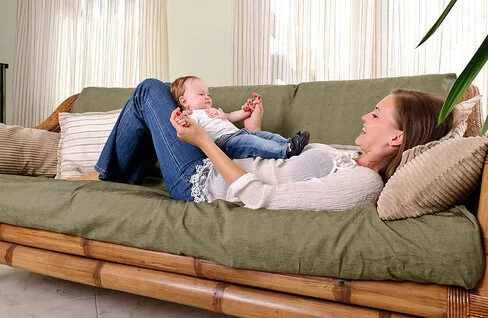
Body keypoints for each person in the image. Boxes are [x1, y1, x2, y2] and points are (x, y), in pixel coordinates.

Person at [76, 78, 452, 211]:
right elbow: (277, 167)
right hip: (212, 159)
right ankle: (115, 174)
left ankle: (105, 174)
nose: (364, 118)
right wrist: (255, 129)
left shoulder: (362, 185)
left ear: (396, 137)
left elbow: (261, 198)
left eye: (374, 114)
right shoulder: (350, 158)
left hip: (199, 182)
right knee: (155, 102)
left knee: (148, 92)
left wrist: (204, 141)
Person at [170, 76, 310, 159]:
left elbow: (230, 116)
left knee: (263, 135)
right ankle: (284, 151)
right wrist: (181, 119)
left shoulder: (213, 110)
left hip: (238, 134)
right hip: (225, 143)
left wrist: (246, 111)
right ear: (184, 101)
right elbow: (185, 127)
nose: (207, 97)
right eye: (201, 94)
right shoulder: (192, 115)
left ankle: (289, 142)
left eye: (207, 94)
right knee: (253, 142)